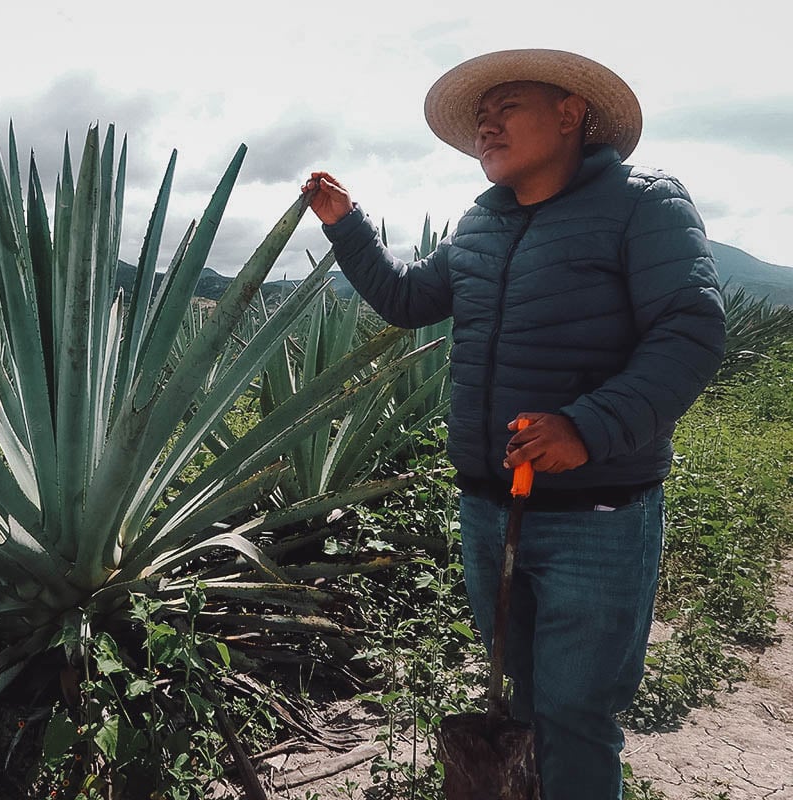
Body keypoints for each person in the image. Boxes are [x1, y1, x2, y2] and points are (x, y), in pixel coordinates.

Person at [302, 49, 725, 798]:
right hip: (489, 507)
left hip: (597, 513)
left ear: (571, 115)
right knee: (523, 698)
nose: (486, 127)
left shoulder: (643, 203)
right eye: (480, 119)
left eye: (507, 109)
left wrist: (587, 427)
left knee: (576, 713)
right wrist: (348, 227)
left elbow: (689, 332)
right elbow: (408, 303)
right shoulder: (483, 222)